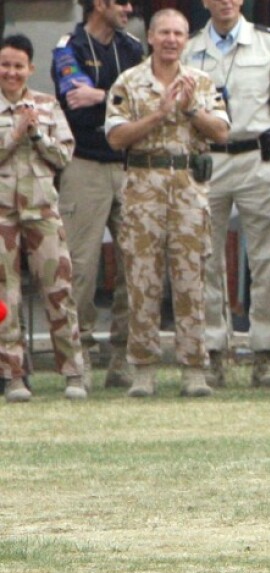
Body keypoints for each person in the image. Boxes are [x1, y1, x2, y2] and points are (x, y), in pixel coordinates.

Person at [105, 8, 230, 397]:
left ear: (187, 39)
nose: (172, 40)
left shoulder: (202, 82)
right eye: (165, 33)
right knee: (142, 278)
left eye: (179, 33)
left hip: (188, 189)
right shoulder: (130, 81)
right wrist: (158, 114)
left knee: (191, 278)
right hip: (143, 188)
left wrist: (192, 108)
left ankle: (194, 369)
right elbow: (116, 137)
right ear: (152, 38)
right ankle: (142, 369)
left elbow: (223, 131)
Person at [183, 0, 270, 389]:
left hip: (256, 158)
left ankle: (266, 352)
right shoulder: (190, 46)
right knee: (206, 260)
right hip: (208, 162)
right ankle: (213, 350)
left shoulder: (268, 42)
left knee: (266, 259)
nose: (225, 2)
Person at [52, 0, 143, 390]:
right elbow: (75, 94)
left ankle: (122, 354)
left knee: (136, 264)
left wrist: (102, 96)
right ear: (100, 3)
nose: (129, 8)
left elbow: (147, 100)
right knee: (81, 266)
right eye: (121, 2)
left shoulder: (134, 47)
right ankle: (81, 352)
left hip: (130, 163)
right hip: (84, 163)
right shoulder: (67, 45)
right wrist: (119, 99)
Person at [0, 33, 87, 402]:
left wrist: (36, 136)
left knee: (59, 292)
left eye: (18, 66)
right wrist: (14, 135)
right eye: (5, 65)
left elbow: (64, 156)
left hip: (42, 211)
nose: (11, 72)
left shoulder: (48, 106)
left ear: (31, 68)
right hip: (3, 215)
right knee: (6, 298)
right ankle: (13, 375)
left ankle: (73, 374)